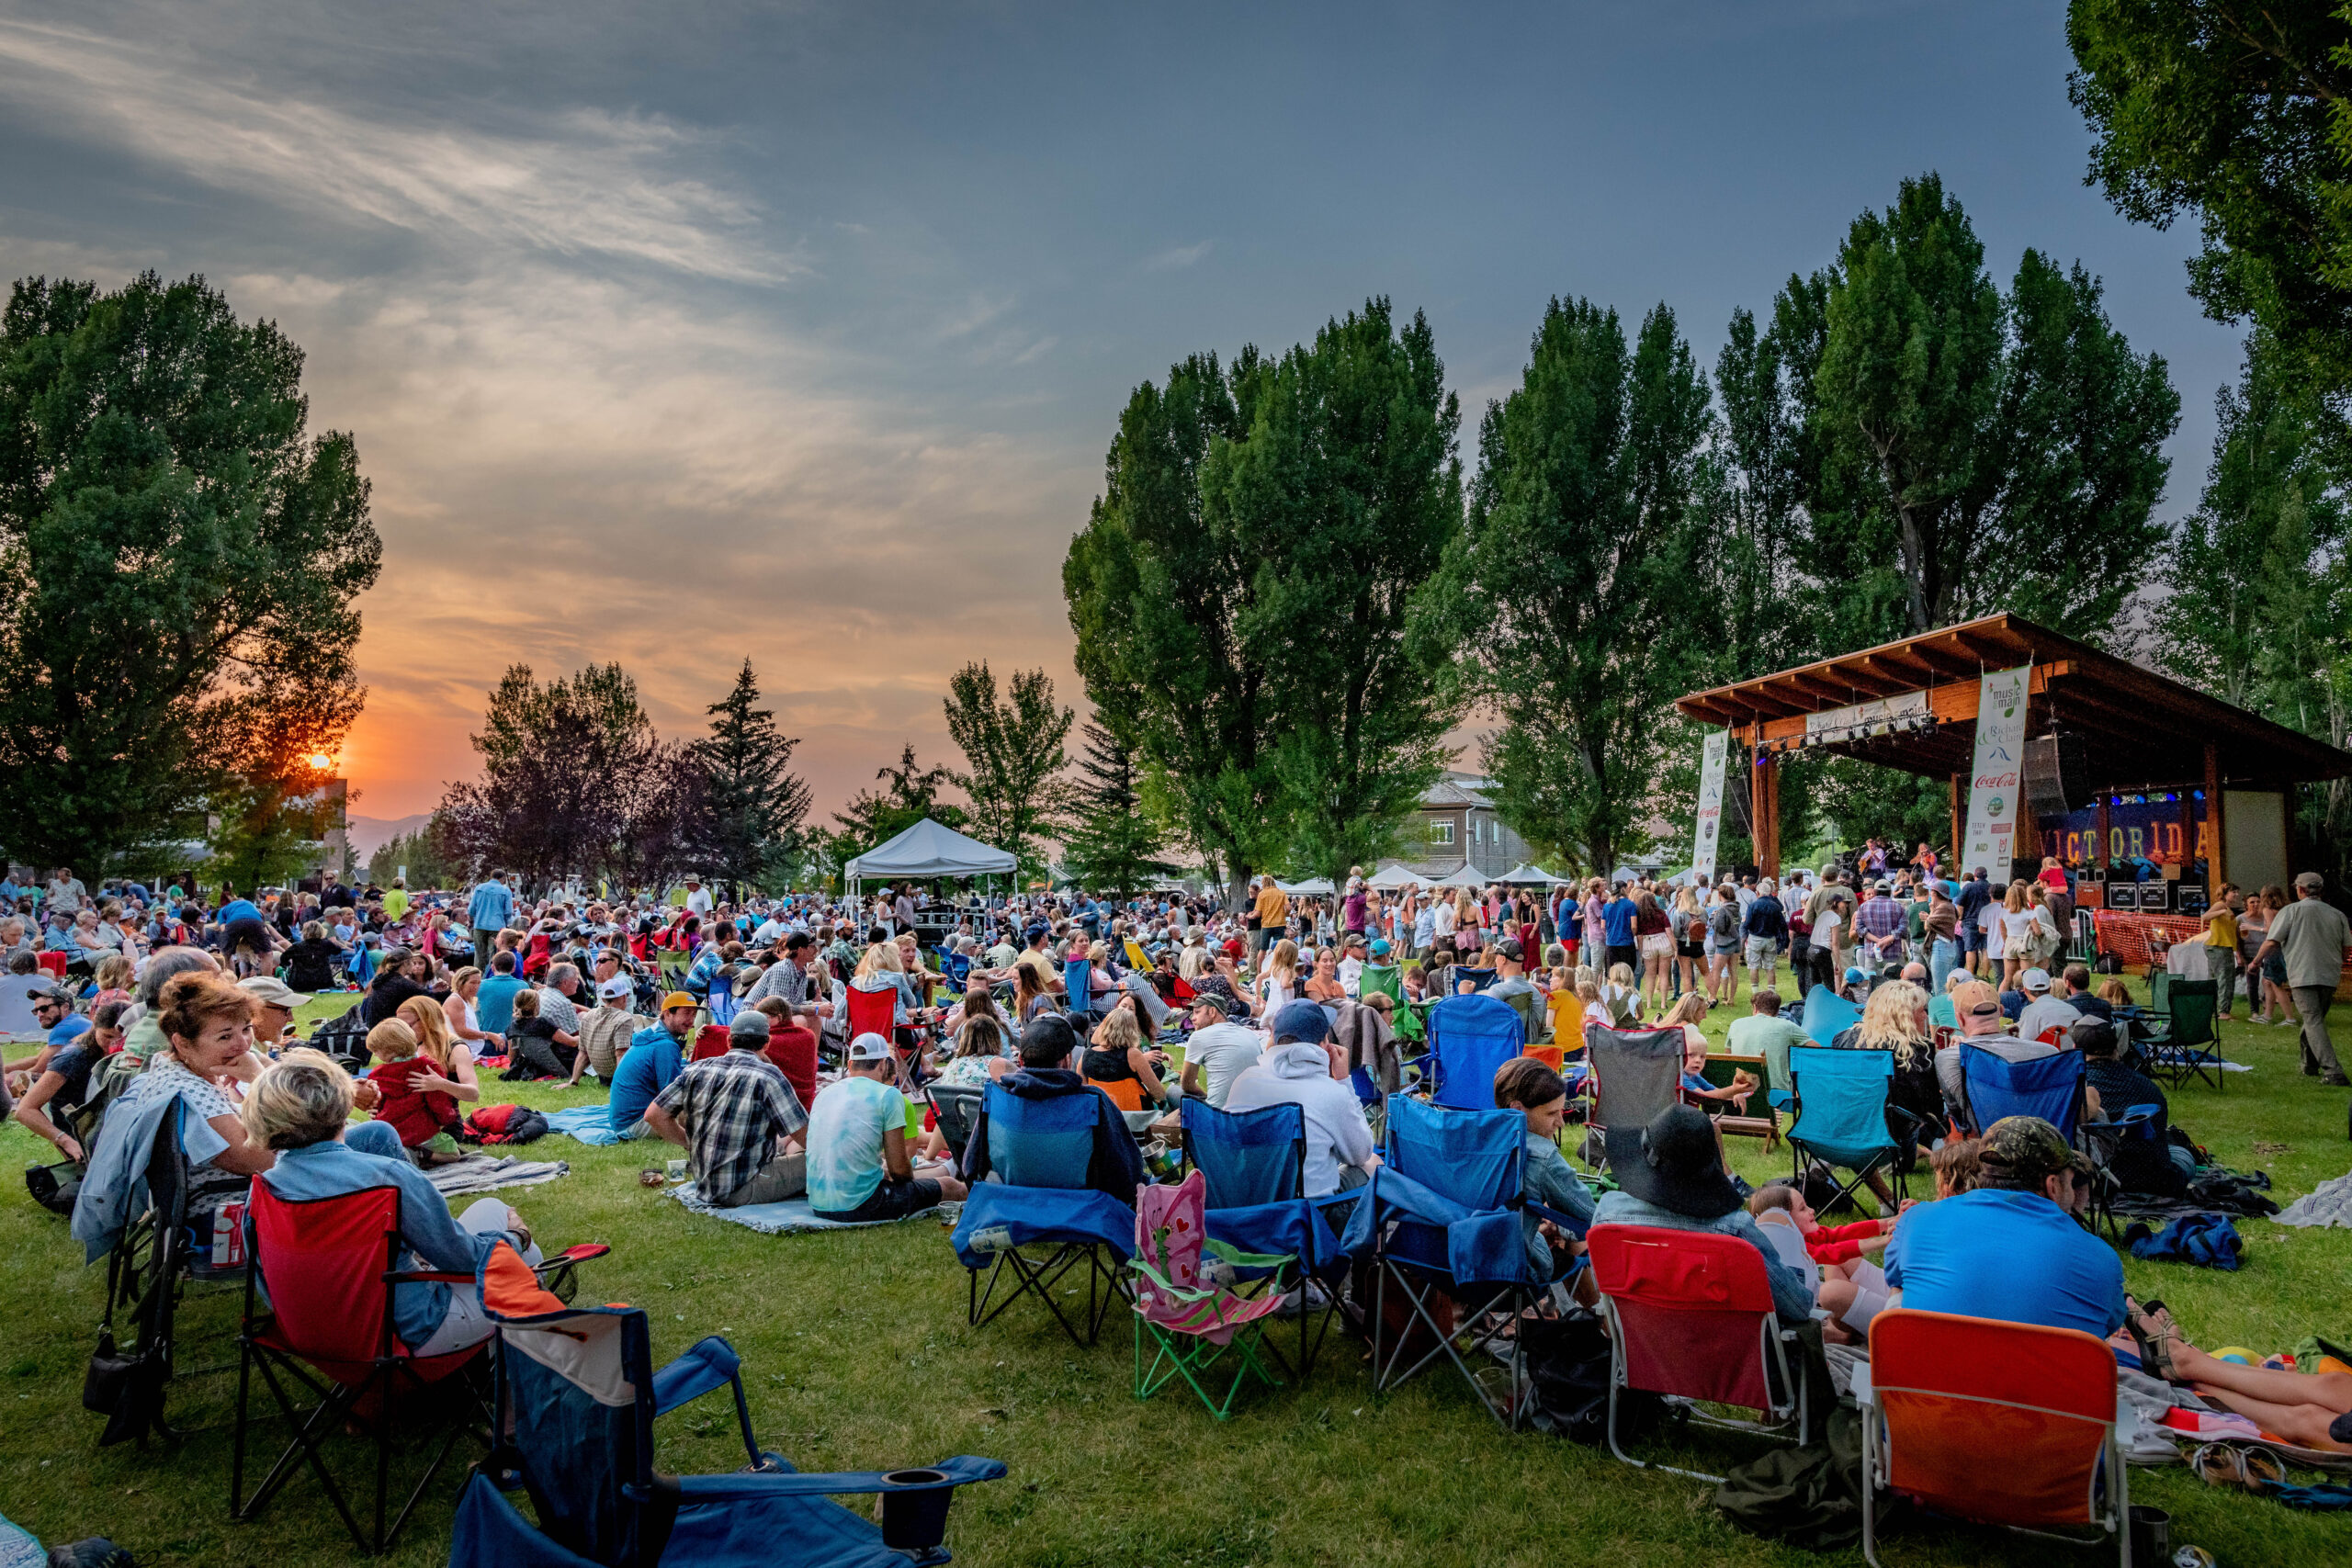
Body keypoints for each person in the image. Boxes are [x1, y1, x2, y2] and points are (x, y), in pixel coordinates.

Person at [244, 1051, 535, 1355]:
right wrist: (517, 1237)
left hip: (314, 1340)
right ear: (342, 1105)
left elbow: (266, 1284)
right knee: (523, 1254)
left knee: (488, 1210)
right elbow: (462, 1257)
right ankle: (504, 1380)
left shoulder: (261, 1191)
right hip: (404, 1334)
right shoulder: (387, 1178)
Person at [1883, 1116, 2125, 1339]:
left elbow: (1895, 1280)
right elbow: (2108, 1325)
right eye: (2071, 1183)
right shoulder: (2100, 1258)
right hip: (2045, 1383)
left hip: (1927, 1381)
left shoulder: (1916, 1219)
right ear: (2053, 1186)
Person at [1591, 1102, 1815, 1325]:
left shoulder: (1609, 1215)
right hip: (1727, 1357)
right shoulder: (1736, 1231)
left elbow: (1603, 1290)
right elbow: (1797, 1306)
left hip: (1639, 1354)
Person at [644, 1011, 811, 1208]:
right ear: (767, 1043)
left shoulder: (695, 1070)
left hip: (704, 1183)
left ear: (729, 1041)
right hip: (744, 1186)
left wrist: (690, 1143)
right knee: (823, 1162)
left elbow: (654, 1115)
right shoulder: (768, 1075)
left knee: (787, 1143)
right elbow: (805, 1136)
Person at [806, 1032, 967, 1220]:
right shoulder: (887, 1095)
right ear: (883, 1064)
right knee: (950, 1186)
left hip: (818, 1204)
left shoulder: (824, 1095)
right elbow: (900, 1171)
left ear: (850, 1064)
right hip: (862, 1204)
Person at [1224, 1001, 1378, 1197]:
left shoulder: (1244, 1080)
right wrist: (1344, 1082)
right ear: (1325, 1043)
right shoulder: (1331, 1092)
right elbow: (1361, 1153)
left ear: (1274, 1037)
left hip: (1248, 1207)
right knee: (1374, 1162)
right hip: (1311, 1214)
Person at [1493, 1056, 1596, 1286]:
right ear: (1517, 1109)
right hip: (1515, 1271)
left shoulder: (1470, 1139)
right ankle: (1600, 1319)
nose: (1560, 1122)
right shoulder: (1542, 1156)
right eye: (1551, 1114)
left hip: (1453, 1263)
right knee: (1579, 1239)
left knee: (1554, 1229)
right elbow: (1590, 1216)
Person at [2251, 870, 2352, 1085]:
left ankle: (2333, 1072)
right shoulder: (2338, 915)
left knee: (2313, 1020)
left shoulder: (2291, 911)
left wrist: (2255, 961)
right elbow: (2346, 950)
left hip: (2303, 974)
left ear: (2301, 889)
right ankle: (2309, 1064)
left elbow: (2272, 941)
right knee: (2313, 1019)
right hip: (2330, 975)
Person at [1933, 979, 2052, 1105]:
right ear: (2001, 1011)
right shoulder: (2048, 1052)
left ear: (1960, 1018)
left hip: (1984, 1124)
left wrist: (1962, 1048)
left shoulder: (1949, 1058)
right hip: (2038, 1123)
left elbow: (1955, 1108)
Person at [367, 1017, 466, 1164]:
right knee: (454, 1154)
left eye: (376, 1051)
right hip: (423, 1132)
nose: (375, 1055)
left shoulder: (378, 1075)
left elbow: (376, 1105)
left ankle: (407, 1153)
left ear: (389, 1051)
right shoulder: (427, 1067)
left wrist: (375, 1117)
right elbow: (438, 1101)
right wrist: (446, 1121)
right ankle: (424, 1155)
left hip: (392, 1133)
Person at [607, 991, 695, 1138]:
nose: (691, 1020)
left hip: (621, 1121)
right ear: (667, 1014)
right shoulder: (665, 1046)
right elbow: (672, 1094)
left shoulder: (651, 1036)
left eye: (693, 1014)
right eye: (686, 1013)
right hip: (636, 1123)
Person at [1179, 991, 1264, 1108]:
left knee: (1173, 1092)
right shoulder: (1250, 1034)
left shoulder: (1198, 1037)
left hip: (1219, 1116)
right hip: (1256, 1113)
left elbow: (1187, 1084)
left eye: (1197, 1012)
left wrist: (1205, 1095)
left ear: (1212, 1012)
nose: (1193, 1019)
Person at [2013, 967, 2078, 1043]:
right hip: (2074, 1054)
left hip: (2049, 1054)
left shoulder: (2030, 1011)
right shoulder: (2072, 1009)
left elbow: (2024, 1043)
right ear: (2049, 988)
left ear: (2025, 990)